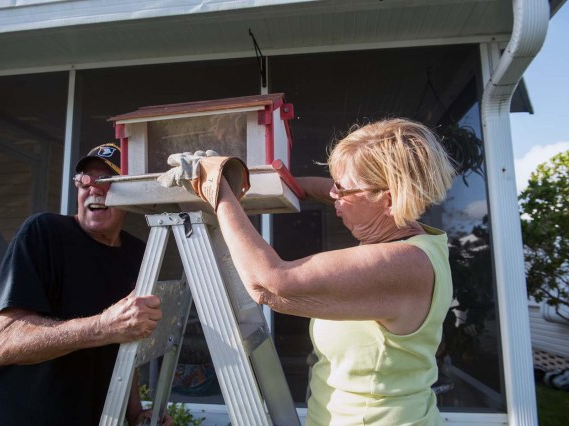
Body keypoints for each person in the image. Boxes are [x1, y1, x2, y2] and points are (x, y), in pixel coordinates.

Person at [191, 118, 456, 425]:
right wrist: (292, 186)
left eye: (341, 189)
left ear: (388, 198)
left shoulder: (404, 264)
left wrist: (219, 191)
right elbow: (332, 192)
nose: (333, 197)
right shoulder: (416, 240)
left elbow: (268, 283)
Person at [0, 143, 172, 426]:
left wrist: (134, 413)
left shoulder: (138, 254)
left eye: (107, 181)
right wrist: (103, 325)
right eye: (85, 181)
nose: (94, 189)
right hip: (13, 416)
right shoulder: (44, 233)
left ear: (132, 194)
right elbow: (0, 344)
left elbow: (124, 339)